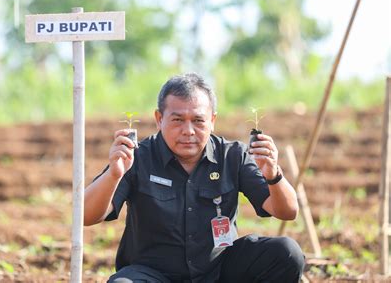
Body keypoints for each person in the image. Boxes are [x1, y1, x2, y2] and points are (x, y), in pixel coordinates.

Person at [84, 73, 305, 282]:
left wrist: (273, 175)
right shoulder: (137, 157)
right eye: (178, 120)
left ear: (212, 121)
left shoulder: (232, 155)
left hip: (218, 272)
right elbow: (85, 216)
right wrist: (114, 175)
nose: (188, 131)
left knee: (286, 253)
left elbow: (287, 211)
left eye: (198, 121)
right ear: (159, 119)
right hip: (153, 274)